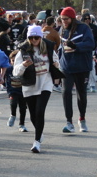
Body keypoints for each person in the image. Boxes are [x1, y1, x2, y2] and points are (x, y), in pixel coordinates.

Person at [12, 25, 61, 153]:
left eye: (36, 37)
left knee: (40, 111)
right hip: (29, 84)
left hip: (45, 83)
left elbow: (56, 61)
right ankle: (39, 132)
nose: (34, 40)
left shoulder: (48, 47)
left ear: (41, 37)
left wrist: (56, 64)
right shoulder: (23, 50)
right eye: (31, 37)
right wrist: (23, 65)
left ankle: (37, 141)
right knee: (33, 114)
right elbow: (15, 71)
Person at [57, 7, 95, 133]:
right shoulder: (63, 29)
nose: (64, 21)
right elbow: (61, 48)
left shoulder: (84, 28)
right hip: (66, 67)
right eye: (62, 19)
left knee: (81, 93)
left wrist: (76, 46)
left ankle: (82, 119)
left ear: (72, 18)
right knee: (66, 92)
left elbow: (91, 44)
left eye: (66, 19)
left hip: (82, 66)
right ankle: (69, 122)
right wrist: (59, 62)